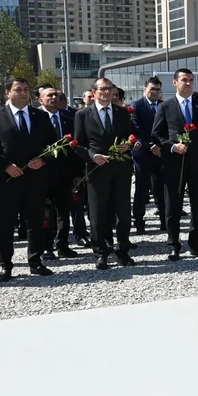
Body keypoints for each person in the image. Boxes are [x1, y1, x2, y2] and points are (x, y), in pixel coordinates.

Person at [0, 78, 56, 282]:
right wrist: (5, 165)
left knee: (35, 222)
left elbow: (53, 144)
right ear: (8, 93)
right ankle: (5, 264)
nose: (23, 93)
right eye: (18, 89)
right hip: (7, 179)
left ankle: (35, 261)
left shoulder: (40, 116)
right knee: (6, 224)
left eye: (26, 89)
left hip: (35, 179)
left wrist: (43, 160)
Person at [153, 69, 198, 261]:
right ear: (175, 82)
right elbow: (156, 134)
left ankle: (196, 243)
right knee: (173, 205)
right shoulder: (166, 106)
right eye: (184, 80)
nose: (188, 83)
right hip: (174, 164)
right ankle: (174, 244)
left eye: (191, 80)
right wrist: (172, 146)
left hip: (197, 164)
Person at [73, 78, 136, 269]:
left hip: (121, 169)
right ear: (94, 92)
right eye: (103, 89)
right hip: (97, 170)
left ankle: (123, 250)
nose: (108, 92)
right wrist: (93, 156)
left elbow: (132, 136)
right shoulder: (83, 114)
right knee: (98, 213)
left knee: (123, 212)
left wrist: (129, 144)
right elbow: (77, 145)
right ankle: (101, 252)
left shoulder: (122, 113)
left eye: (110, 89)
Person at [35, 85, 82, 261]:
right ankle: (47, 246)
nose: (54, 98)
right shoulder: (36, 119)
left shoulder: (69, 119)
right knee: (46, 212)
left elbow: (76, 147)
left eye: (56, 95)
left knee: (64, 210)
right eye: (49, 95)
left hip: (65, 173)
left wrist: (77, 172)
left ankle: (62, 244)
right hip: (42, 173)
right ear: (40, 100)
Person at [130, 77, 166, 233]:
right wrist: (151, 146)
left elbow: (167, 129)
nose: (155, 92)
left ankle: (165, 221)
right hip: (143, 153)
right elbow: (137, 128)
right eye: (152, 89)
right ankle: (139, 222)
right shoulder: (137, 105)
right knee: (142, 189)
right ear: (145, 89)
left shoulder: (164, 106)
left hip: (161, 154)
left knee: (162, 188)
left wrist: (161, 147)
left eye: (158, 89)